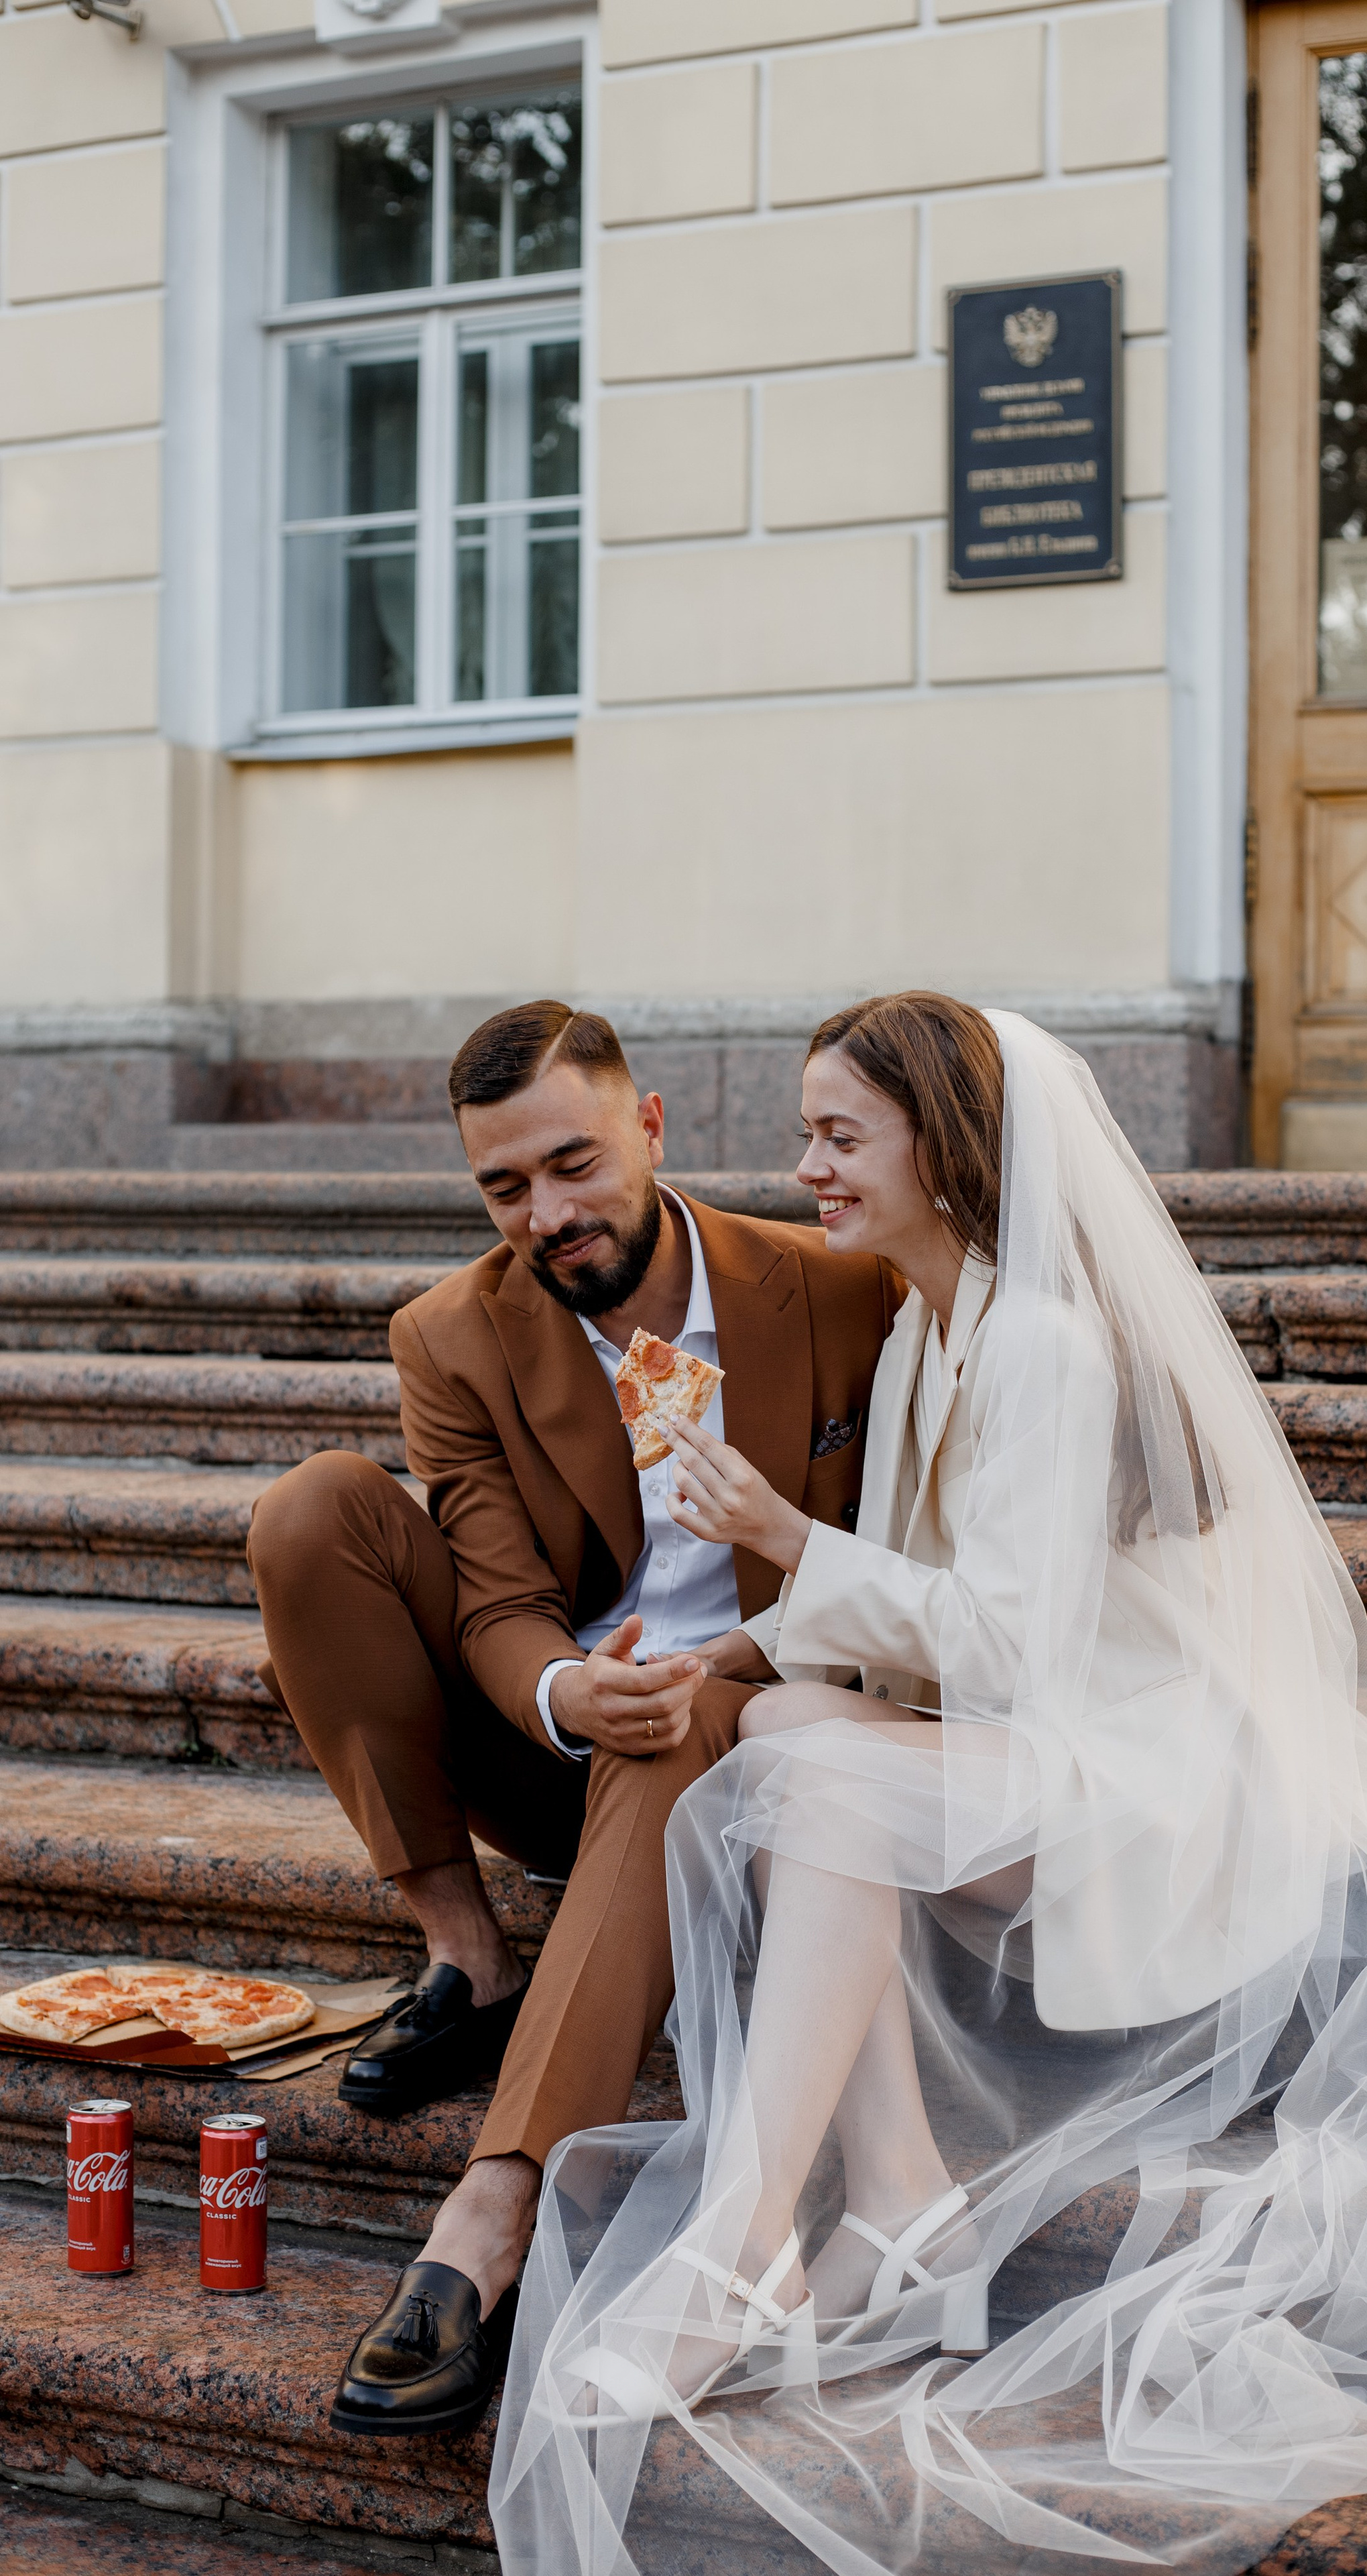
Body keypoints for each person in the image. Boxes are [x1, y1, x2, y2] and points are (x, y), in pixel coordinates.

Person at [489, 993, 1367, 2576]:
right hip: (1045, 1748)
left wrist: (787, 1540)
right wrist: (750, 1631)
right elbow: (913, 1627)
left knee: (823, 1783)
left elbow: (1007, 1645)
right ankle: (902, 2200)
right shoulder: (936, 1324)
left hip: (1148, 1777)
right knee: (783, 1728)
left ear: (949, 1145)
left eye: (842, 1137)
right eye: (808, 1135)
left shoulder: (1048, 1344)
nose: (805, 1169)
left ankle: (746, 2245)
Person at [245, 1000, 898, 2437]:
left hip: (758, 1724)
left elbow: (895, 1564)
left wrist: (708, 1671)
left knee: (689, 1721)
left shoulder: (839, 1289)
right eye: (503, 1187)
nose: (545, 1214)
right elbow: (487, 1596)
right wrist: (558, 1689)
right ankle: (467, 1958)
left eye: (573, 1165)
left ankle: (498, 2199)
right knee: (311, 1514)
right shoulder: (452, 1335)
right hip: (551, 1748)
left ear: (649, 1127)